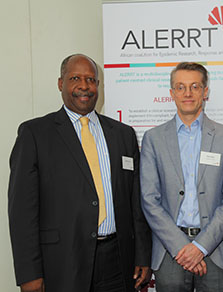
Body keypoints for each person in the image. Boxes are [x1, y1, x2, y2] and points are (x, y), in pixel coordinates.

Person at [8, 54, 151, 292]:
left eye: (91, 79)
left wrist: (142, 255)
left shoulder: (123, 134)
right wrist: (28, 273)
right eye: (75, 78)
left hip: (117, 260)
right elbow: (22, 212)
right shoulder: (35, 134)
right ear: (60, 83)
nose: (84, 86)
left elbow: (135, 202)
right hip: (62, 262)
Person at [140, 62, 223, 292]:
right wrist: (181, 247)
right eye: (180, 87)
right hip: (170, 252)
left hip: (215, 251)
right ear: (171, 93)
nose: (187, 93)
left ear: (205, 92)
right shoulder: (153, 139)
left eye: (195, 86)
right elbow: (149, 200)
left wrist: (200, 247)